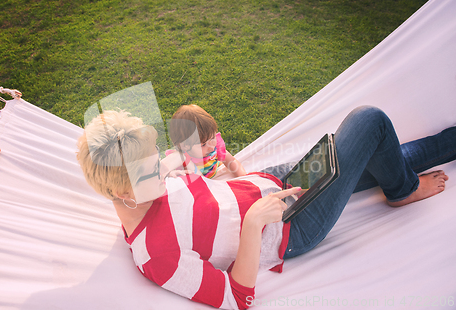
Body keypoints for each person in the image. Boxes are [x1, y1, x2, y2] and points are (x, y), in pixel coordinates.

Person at [76, 106, 455, 310]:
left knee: (376, 153)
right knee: (369, 122)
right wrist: (254, 223)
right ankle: (403, 191)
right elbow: (237, 298)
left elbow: (186, 163)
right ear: (124, 193)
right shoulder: (158, 255)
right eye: (151, 168)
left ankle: (414, 169)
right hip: (292, 222)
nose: (160, 166)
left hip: (272, 180)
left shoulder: (139, 186)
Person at [165, 104, 247, 179]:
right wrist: (170, 173)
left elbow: (232, 161)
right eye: (203, 144)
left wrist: (244, 178)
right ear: (183, 146)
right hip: (196, 185)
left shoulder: (216, 145)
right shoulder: (180, 157)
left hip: (216, 174)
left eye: (212, 138)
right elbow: (162, 172)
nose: (211, 147)